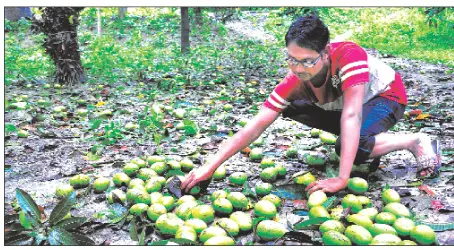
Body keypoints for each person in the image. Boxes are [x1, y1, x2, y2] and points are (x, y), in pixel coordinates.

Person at [181, 14, 440, 195]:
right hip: (345, 107)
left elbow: (351, 115)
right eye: (292, 59)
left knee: (352, 145)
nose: (298, 68)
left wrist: (342, 177)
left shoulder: (349, 56)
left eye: (307, 61)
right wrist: (208, 167)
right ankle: (365, 144)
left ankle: (412, 140)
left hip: (385, 97)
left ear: (326, 52)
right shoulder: (293, 79)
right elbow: (254, 127)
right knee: (288, 107)